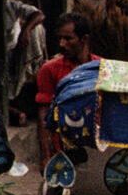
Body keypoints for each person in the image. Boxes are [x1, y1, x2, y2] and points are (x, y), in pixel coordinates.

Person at [35, 12, 92, 163]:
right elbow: (43, 114)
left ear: (84, 39)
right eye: (60, 38)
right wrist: (45, 156)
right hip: (61, 148)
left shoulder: (101, 68)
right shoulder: (49, 69)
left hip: (95, 148)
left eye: (68, 38)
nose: (61, 44)